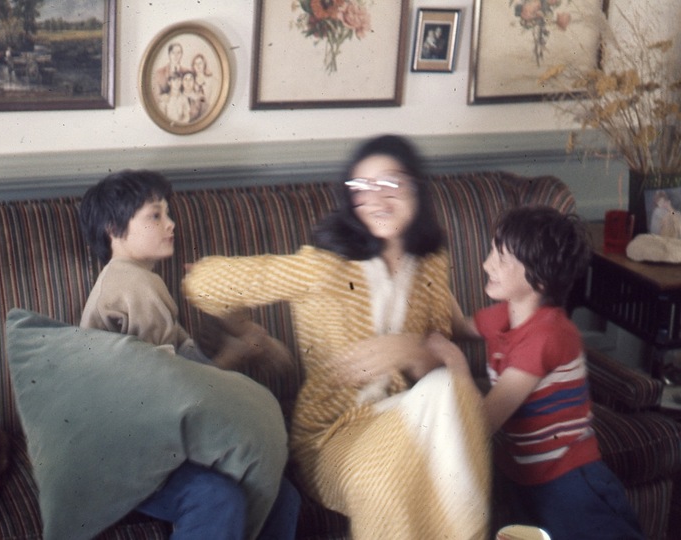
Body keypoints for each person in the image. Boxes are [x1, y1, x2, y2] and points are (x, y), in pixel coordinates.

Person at [184, 135, 491, 540]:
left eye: (390, 183)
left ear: (416, 187)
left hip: (407, 414)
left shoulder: (431, 263)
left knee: (449, 392)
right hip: (334, 433)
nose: (376, 199)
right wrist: (245, 331)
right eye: (361, 188)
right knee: (392, 472)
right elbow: (204, 285)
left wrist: (408, 350)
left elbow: (437, 350)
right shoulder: (324, 269)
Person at [78, 170, 299, 540]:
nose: (171, 224)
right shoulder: (132, 283)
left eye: (168, 213)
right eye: (155, 215)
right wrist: (233, 355)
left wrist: (230, 346)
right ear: (113, 229)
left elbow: (175, 370)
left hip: (152, 440)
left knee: (280, 495)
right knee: (217, 497)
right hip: (123, 453)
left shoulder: (138, 280)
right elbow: (170, 389)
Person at [425, 206, 644, 540]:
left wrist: (454, 361)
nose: (486, 264)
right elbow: (456, 325)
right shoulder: (505, 315)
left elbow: (482, 423)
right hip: (525, 477)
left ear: (539, 279)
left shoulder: (546, 335)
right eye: (492, 251)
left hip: (569, 483)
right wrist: (430, 270)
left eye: (501, 258)